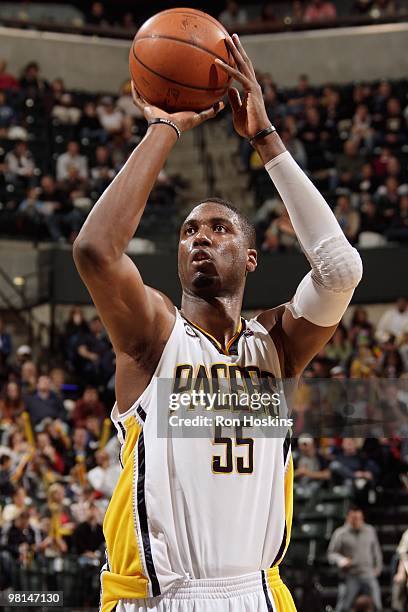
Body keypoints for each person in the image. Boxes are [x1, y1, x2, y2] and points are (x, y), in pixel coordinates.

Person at [73, 35, 362, 612]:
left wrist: (265, 138)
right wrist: (167, 127)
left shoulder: (277, 345)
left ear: (251, 258)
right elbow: (96, 251)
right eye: (188, 231)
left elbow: (340, 269)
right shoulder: (155, 337)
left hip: (256, 593)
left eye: (219, 228)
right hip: (162, 598)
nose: (200, 236)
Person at [328, 507, 382, 612]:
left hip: (368, 573)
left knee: (377, 604)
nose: (357, 521)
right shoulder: (340, 533)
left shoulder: (370, 530)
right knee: (344, 606)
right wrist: (341, 560)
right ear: (348, 518)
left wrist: (378, 568)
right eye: (354, 518)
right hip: (350, 574)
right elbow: (331, 554)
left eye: (359, 518)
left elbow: (377, 551)